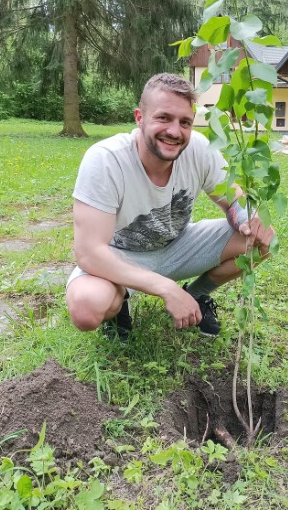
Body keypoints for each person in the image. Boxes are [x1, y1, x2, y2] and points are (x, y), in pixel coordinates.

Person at [66, 73, 274, 341]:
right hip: (122, 255)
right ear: (139, 117)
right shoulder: (106, 160)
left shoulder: (200, 149)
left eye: (185, 122)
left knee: (263, 241)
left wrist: (249, 220)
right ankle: (119, 304)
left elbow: (235, 200)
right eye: (163, 118)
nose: (175, 132)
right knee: (86, 307)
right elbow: (89, 253)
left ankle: (196, 295)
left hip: (178, 245)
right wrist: (165, 287)